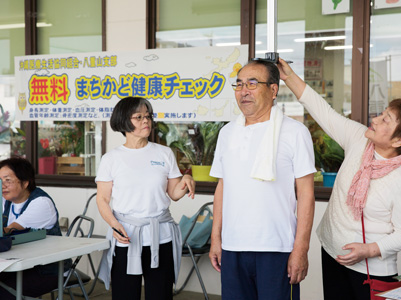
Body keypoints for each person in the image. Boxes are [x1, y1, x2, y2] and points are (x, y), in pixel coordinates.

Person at [277, 58, 401, 300]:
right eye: (382, 114)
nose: (375, 120)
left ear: (399, 141)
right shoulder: (359, 139)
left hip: (371, 270)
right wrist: (288, 77)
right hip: (332, 252)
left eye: (385, 121)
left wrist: (368, 250)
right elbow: (323, 111)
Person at [209, 59, 316, 300]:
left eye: (252, 83)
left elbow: (306, 194)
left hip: (277, 248)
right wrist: (216, 239)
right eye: (239, 84)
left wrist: (301, 248)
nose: (243, 91)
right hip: (233, 247)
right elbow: (222, 187)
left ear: (273, 89)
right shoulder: (227, 133)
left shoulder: (295, 132)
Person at [96, 96, 196, 300]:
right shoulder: (111, 159)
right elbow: (102, 199)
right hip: (126, 236)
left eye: (148, 116)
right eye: (139, 117)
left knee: (160, 295)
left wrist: (186, 179)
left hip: (161, 236)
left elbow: (175, 194)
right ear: (124, 121)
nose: (146, 121)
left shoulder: (164, 153)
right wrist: (115, 225)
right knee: (125, 295)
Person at [0, 157, 62, 299]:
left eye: (8, 180)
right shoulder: (2, 199)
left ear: (25, 183)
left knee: (5, 294)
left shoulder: (41, 203)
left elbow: (8, 230)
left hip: (45, 268)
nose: (2, 186)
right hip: (15, 263)